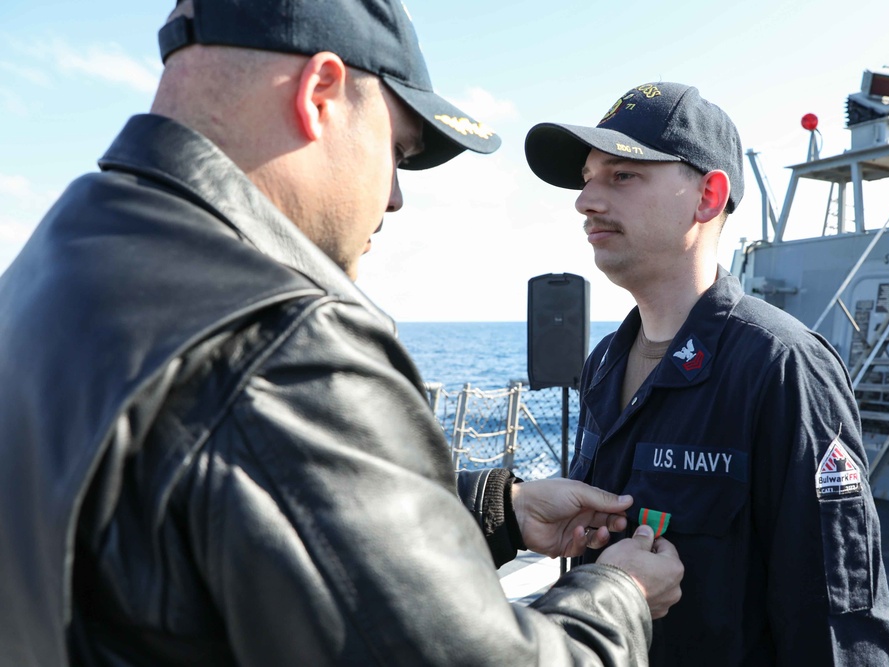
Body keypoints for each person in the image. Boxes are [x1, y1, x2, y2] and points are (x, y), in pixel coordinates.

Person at [0, 3, 685, 665]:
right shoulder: (278, 344)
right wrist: (618, 594)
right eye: (397, 149)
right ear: (321, 92)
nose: (394, 194)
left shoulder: (51, 269)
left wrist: (497, 506)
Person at [524, 82, 889, 666]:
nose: (586, 201)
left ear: (707, 196)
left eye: (622, 176)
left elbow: (836, 625)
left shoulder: (782, 367)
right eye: (586, 179)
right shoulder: (603, 364)